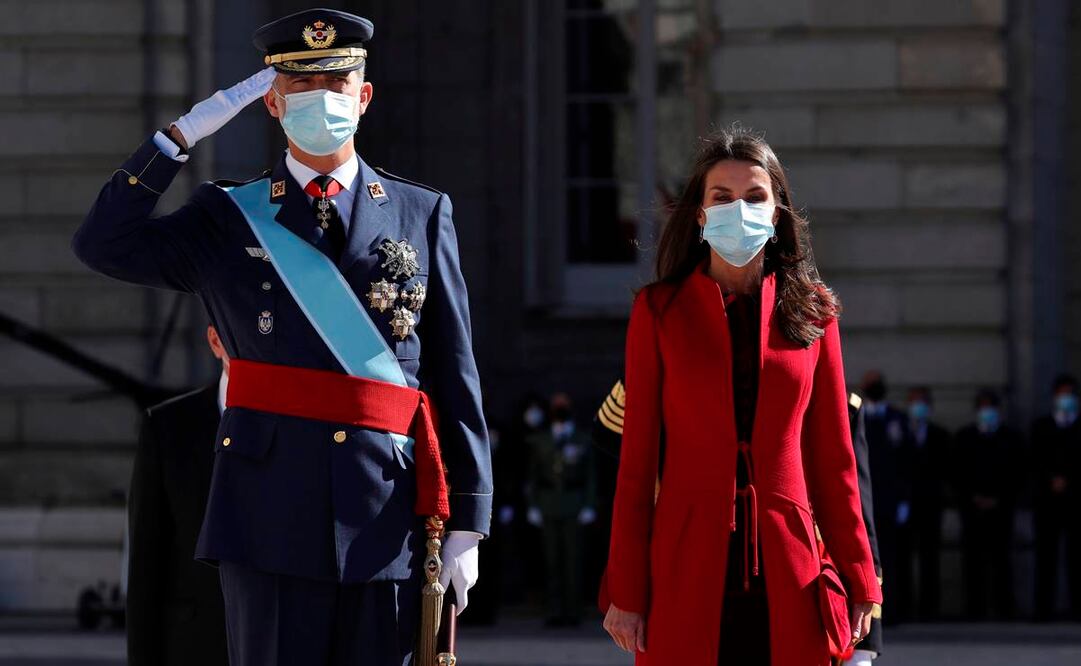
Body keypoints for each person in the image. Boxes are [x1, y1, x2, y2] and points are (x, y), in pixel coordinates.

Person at [72, 9, 492, 665]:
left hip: (385, 509)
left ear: (364, 95)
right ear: (272, 101)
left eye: (336, 83)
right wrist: (173, 142)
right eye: (301, 87)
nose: (320, 100)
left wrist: (468, 519)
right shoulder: (224, 215)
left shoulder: (420, 210)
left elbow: (453, 371)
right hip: (265, 513)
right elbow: (102, 245)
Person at [602, 127, 880, 665]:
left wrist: (860, 574)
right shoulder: (659, 312)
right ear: (701, 215)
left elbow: (835, 460)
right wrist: (626, 589)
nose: (739, 210)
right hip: (687, 558)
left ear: (777, 214)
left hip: (789, 561)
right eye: (721, 198)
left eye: (754, 197)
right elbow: (636, 466)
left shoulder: (815, 312)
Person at [127, 325, 231, 666]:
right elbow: (146, 562)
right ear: (215, 341)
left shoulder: (297, 426)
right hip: (194, 645)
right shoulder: (167, 426)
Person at [526, 393, 597, 626]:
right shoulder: (542, 439)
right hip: (548, 504)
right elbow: (533, 475)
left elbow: (590, 476)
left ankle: (573, 610)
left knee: (573, 560)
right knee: (552, 560)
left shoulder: (582, 439)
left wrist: (589, 504)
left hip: (573, 504)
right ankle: (554, 610)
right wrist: (533, 504)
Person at [953, 389, 1019, 620]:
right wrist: (973, 497)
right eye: (982, 407)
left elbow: (1017, 473)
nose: (986, 412)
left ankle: (1004, 608)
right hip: (972, 509)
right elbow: (957, 473)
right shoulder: (965, 437)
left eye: (990, 407)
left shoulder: (1010, 438)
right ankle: (974, 608)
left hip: (1001, 509)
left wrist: (998, 498)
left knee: (1002, 560)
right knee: (972, 561)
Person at [858, 370, 912, 623]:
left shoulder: (897, 419)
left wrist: (904, 500)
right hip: (864, 501)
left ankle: (895, 610)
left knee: (892, 558)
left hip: (890, 501)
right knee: (867, 557)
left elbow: (906, 463)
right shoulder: (857, 416)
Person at [1030, 374, 1081, 620]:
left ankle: (1076, 608)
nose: (1065, 398)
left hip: (1075, 501)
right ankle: (1043, 609)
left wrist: (1068, 481)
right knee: (1045, 556)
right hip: (1047, 501)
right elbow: (1034, 461)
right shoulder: (1041, 426)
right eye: (1062, 393)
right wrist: (1051, 479)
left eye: (1069, 393)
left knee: (1076, 558)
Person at [900, 386, 950, 620]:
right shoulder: (900, 431)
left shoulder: (940, 434)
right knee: (903, 556)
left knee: (931, 557)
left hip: (931, 504)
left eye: (921, 402)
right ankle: (905, 606)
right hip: (906, 504)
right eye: (913, 402)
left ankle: (930, 608)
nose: (917, 407)